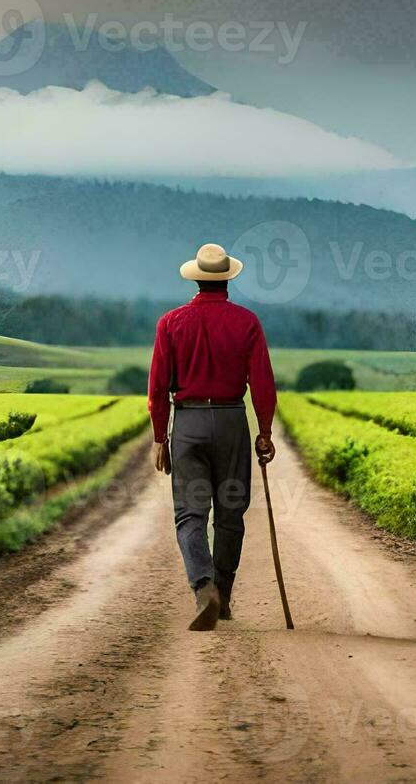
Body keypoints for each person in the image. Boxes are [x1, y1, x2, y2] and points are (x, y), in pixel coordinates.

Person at [148, 242, 277, 631]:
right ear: (227, 281)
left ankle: (204, 588)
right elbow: (263, 383)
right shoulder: (247, 322)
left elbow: (156, 388)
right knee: (231, 511)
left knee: (190, 514)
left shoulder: (170, 322)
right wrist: (265, 431)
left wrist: (160, 437)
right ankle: (224, 594)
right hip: (232, 421)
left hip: (187, 424)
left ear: (196, 279)